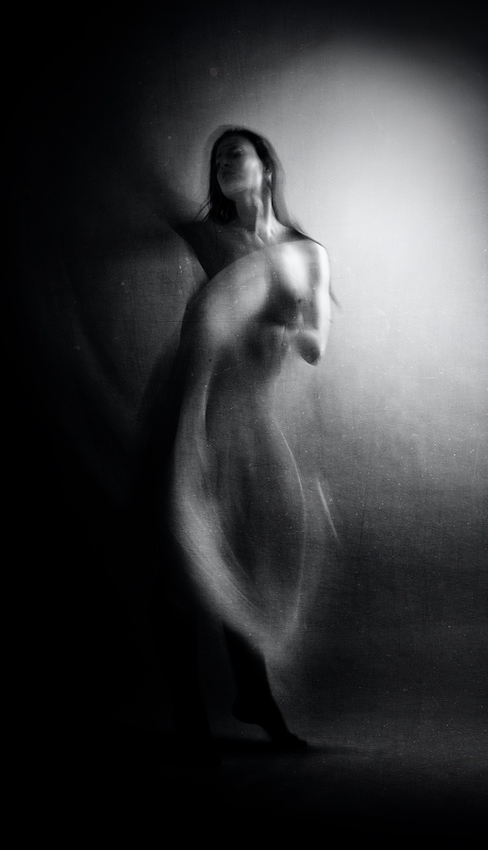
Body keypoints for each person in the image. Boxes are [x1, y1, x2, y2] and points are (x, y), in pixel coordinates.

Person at [136, 126, 331, 758]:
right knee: (180, 552)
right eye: (217, 158)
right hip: (190, 413)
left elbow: (314, 348)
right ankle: (190, 709)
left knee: (244, 550)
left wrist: (283, 315)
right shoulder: (204, 236)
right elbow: (136, 222)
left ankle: (254, 696)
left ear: (265, 167)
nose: (223, 164)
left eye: (235, 154)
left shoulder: (305, 252)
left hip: (248, 425)